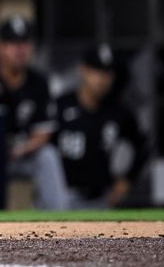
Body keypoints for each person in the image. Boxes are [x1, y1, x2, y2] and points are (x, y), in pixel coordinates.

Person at [0, 15, 68, 209]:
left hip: (22, 153)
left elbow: (43, 133)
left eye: (24, 43)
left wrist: (20, 150)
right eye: (13, 43)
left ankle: (57, 220)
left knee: (48, 156)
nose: (19, 50)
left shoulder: (38, 83)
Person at [53, 44, 148, 208]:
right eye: (96, 71)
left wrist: (127, 180)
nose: (101, 79)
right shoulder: (61, 106)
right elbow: (45, 148)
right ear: (83, 70)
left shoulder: (119, 111)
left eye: (107, 73)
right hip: (63, 196)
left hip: (101, 197)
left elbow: (142, 146)